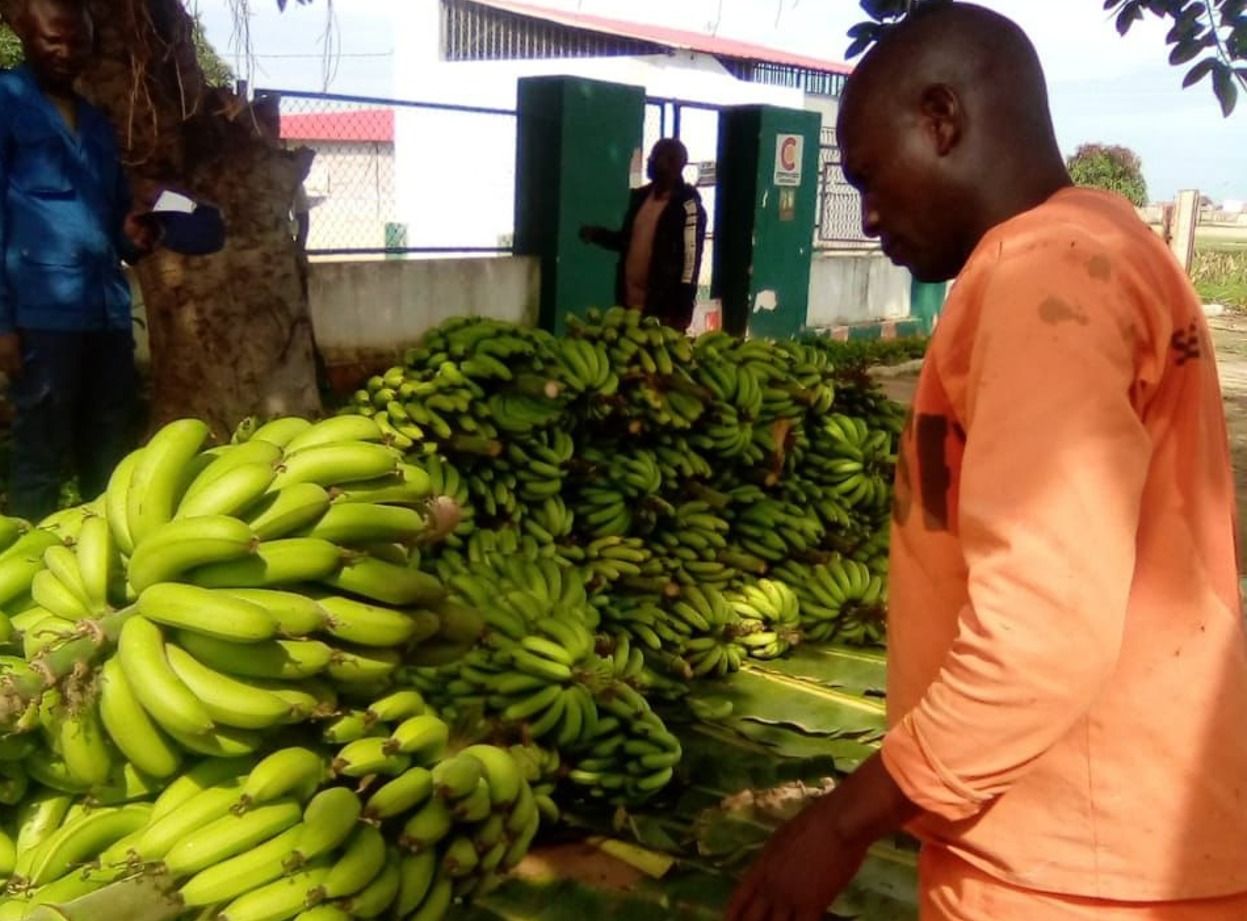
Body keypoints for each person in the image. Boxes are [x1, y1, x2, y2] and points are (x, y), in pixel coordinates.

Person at [727, 4, 1247, 920]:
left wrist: (841, 823)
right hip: (1128, 834)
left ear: (940, 119)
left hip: (1067, 866)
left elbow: (1040, 633)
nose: (871, 212)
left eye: (868, 176)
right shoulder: (1109, 246)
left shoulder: (1040, 272)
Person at [0, 0, 157, 521]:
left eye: (78, 42)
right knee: (39, 454)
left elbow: (112, 216)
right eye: (53, 40)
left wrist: (134, 233)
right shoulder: (6, 103)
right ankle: (24, 575)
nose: (67, 52)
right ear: (26, 35)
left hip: (106, 313)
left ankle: (101, 570)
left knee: (110, 455)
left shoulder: (96, 122)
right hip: (42, 317)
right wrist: (3, 324)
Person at [580, 138, 707, 333]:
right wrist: (597, 235)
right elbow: (626, 241)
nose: (650, 161)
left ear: (674, 163)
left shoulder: (688, 207)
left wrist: (682, 311)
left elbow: (690, 264)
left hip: (663, 311)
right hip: (628, 306)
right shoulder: (640, 199)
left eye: (656, 156)